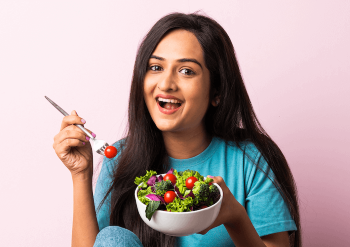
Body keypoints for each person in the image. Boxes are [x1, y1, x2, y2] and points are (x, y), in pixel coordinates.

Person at [53, 12, 301, 247]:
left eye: (186, 71)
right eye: (156, 67)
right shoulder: (119, 158)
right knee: (113, 237)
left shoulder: (249, 159)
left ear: (216, 92)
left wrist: (235, 216)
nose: (166, 83)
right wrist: (81, 174)